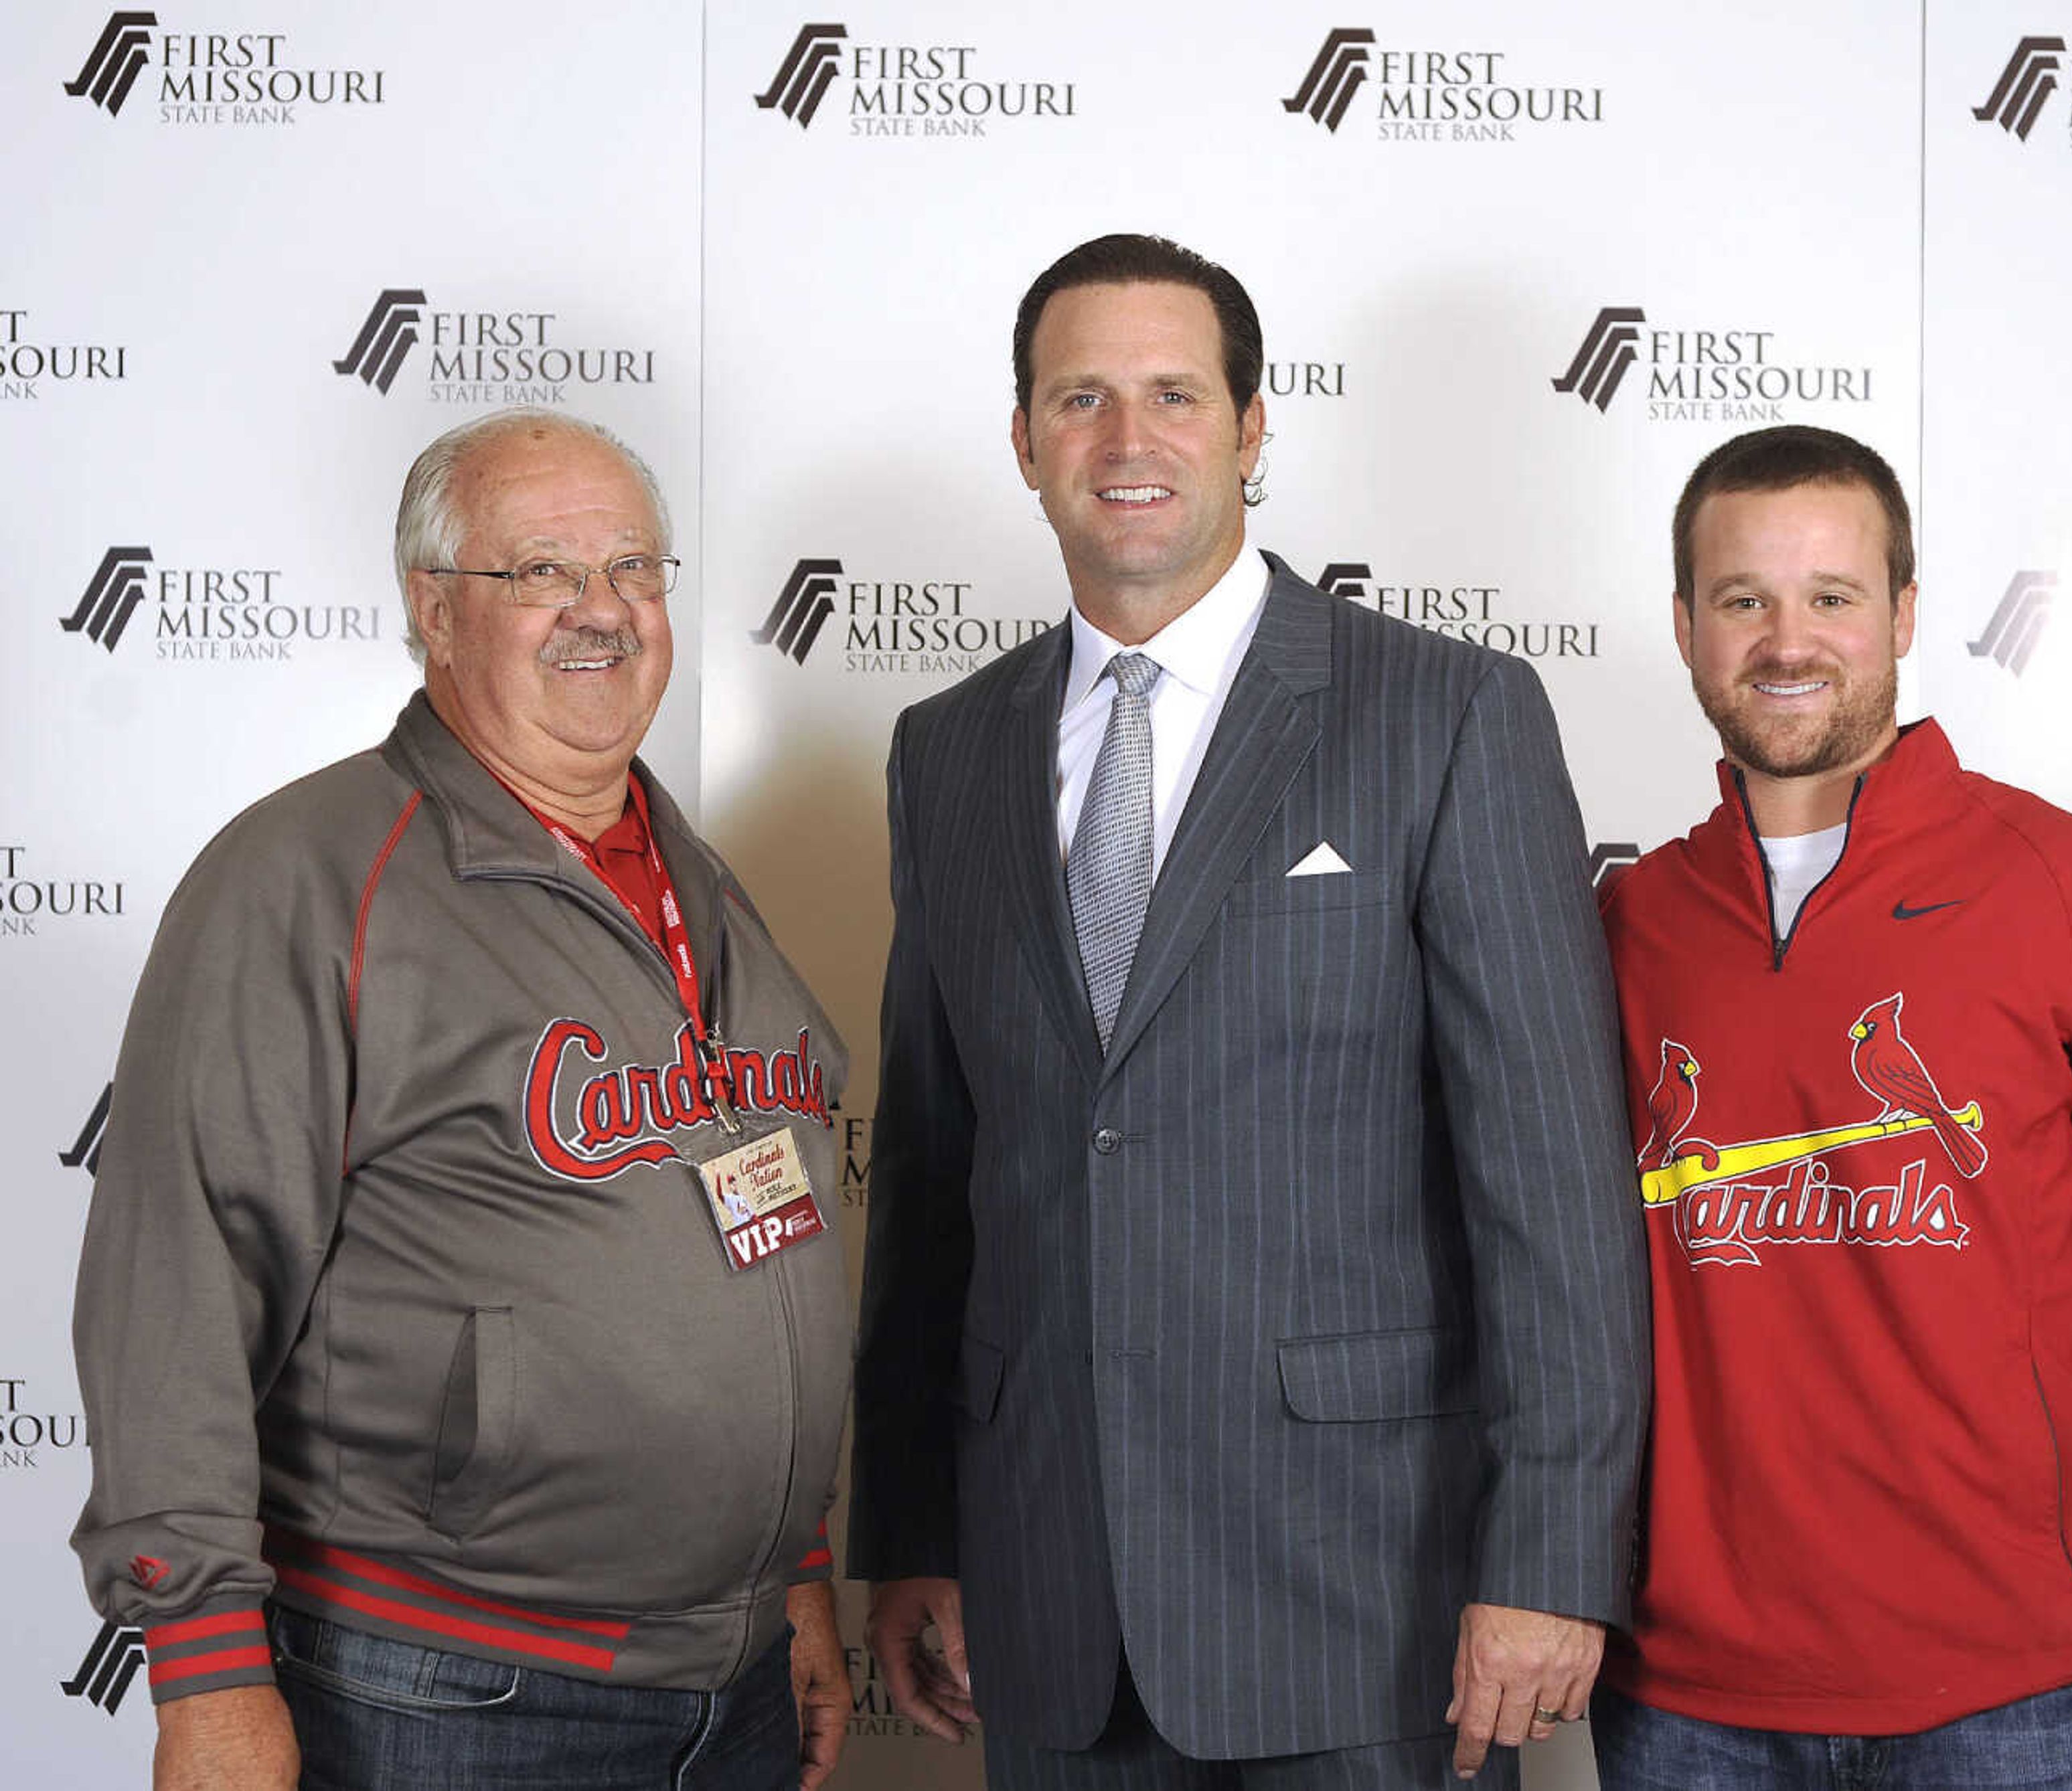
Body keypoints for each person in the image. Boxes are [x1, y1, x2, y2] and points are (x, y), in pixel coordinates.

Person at [853, 233, 1648, 1790]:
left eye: (1174, 395)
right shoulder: (942, 751)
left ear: (1253, 429)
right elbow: (936, 1187)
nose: (1127, 442)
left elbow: (1551, 1190)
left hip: (1364, 1607)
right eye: (1080, 399)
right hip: (1047, 1604)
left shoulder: (1446, 713)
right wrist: (913, 1526)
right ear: (1023, 441)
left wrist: (1553, 1554)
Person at [70, 408, 855, 1791]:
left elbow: (754, 1241)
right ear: (435, 610)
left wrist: (790, 1569)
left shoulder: (697, 880)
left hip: (727, 1685)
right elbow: (174, 1281)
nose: (601, 610)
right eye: (542, 571)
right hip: (443, 1694)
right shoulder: (308, 878)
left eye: (636, 569)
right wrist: (203, 1672)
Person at [1593, 425, 2072, 1791]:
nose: (1787, 639)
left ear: (1901, 616)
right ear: (1684, 625)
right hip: (1686, 1710)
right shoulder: (1624, 926)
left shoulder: (2069, 888)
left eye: (1831, 596)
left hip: (2018, 1706)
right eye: (1742, 598)